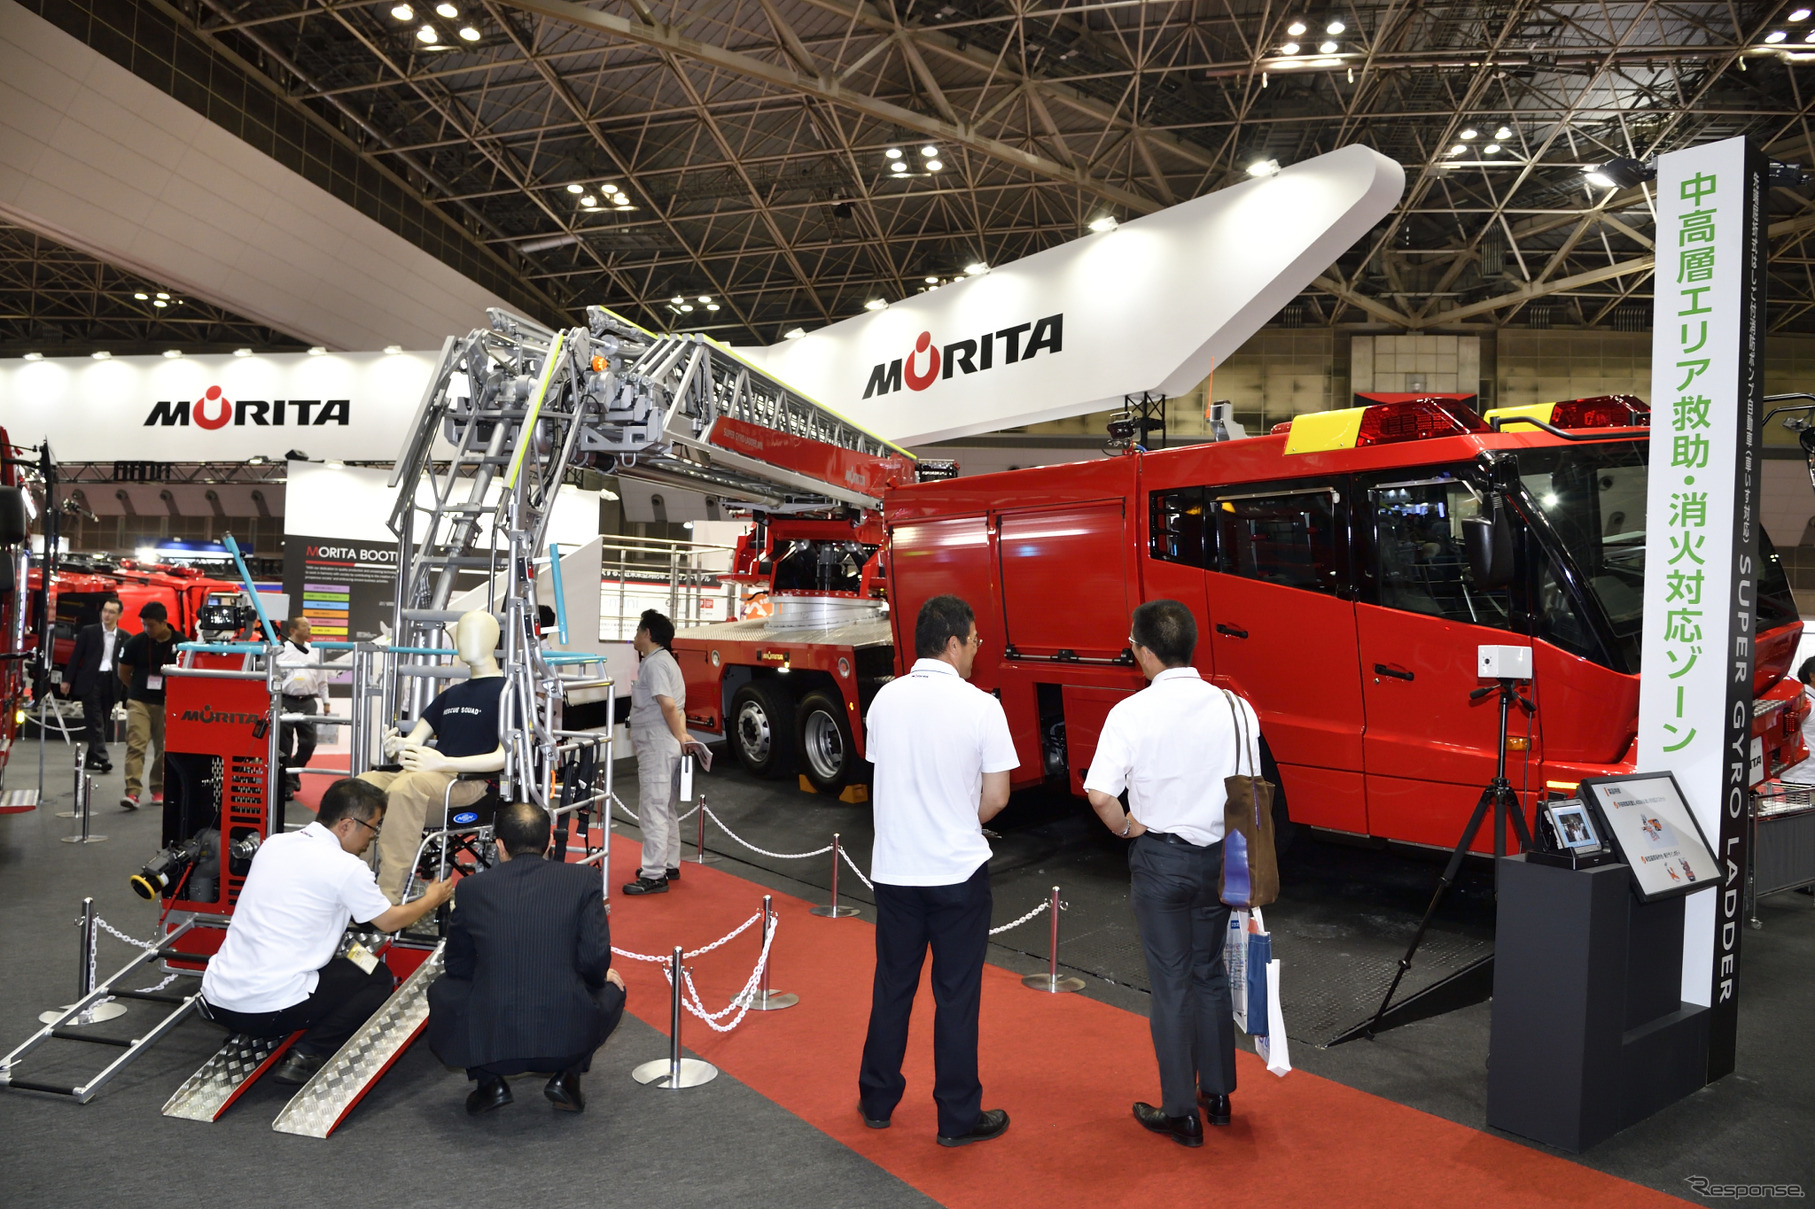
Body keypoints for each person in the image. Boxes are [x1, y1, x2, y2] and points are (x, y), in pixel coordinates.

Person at [1083, 599, 1254, 1148]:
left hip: (1161, 859)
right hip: (1221, 858)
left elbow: (1099, 793)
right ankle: (1220, 1094)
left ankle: (1181, 1111)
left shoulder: (1130, 713)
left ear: (1144, 651)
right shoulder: (1235, 707)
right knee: (1209, 972)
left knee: (1171, 983)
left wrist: (1127, 828)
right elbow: (1249, 788)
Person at [857, 594, 1016, 1148]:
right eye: (973, 641)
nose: (976, 651)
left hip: (896, 872)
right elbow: (996, 797)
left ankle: (876, 1100)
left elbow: (889, 774)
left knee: (892, 988)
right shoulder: (982, 707)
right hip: (956, 873)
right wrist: (957, 818)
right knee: (956, 996)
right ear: (952, 643)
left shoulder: (884, 701)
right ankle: (956, 1117)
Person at [200, 778, 454, 1084]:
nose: (371, 839)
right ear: (347, 825)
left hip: (216, 998)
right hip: (269, 1009)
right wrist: (431, 899)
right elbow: (389, 921)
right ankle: (308, 1052)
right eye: (372, 828)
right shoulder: (346, 867)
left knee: (355, 954)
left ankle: (245, 1032)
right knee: (378, 977)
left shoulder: (275, 844)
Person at [427, 802, 626, 1115]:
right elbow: (594, 959)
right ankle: (568, 1076)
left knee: (441, 989)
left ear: (500, 846)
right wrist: (598, 979)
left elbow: (458, 966)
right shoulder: (583, 881)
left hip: (493, 1045)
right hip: (564, 1038)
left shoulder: (471, 889)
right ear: (549, 840)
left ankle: (488, 1083)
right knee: (613, 986)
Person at [359, 610, 505, 904]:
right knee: (362, 786)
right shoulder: (453, 694)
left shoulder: (507, 691)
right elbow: (415, 740)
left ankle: (389, 894)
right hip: (429, 778)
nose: (463, 641)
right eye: (461, 633)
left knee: (405, 789)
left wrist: (444, 763)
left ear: (491, 639)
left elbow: (504, 756)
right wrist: (399, 746)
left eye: (472, 632)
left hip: (469, 785)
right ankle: (354, 879)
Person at [622, 609, 699, 896]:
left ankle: (654, 874)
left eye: (639, 629)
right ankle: (669, 863)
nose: (636, 635)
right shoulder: (667, 662)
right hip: (666, 743)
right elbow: (676, 707)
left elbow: (667, 705)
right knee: (665, 806)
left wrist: (679, 735)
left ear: (648, 634)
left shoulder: (654, 665)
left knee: (653, 808)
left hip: (659, 743)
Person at [117, 600, 180, 811]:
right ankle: (132, 792)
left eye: (151, 625)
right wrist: (135, 689)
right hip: (139, 701)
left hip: (167, 703)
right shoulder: (135, 643)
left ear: (164, 623)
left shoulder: (181, 643)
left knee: (163, 748)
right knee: (136, 744)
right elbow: (123, 671)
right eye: (144, 624)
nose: (147, 629)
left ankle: (158, 788)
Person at [62, 595, 123, 773]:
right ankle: (103, 758)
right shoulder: (89, 631)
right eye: (105, 611)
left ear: (119, 615)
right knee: (95, 720)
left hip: (111, 682)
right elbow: (75, 657)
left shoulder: (124, 636)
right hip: (91, 680)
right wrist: (67, 680)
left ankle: (91, 759)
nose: (107, 615)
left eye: (112, 612)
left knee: (101, 721)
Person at [276, 616, 330, 798]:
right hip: (286, 700)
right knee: (285, 744)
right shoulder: (281, 650)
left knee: (310, 742)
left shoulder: (313, 651)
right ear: (292, 630)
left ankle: (293, 771)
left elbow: (322, 679)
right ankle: (288, 785)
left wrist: (326, 701)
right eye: (305, 626)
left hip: (308, 702)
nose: (309, 629)